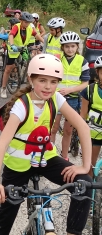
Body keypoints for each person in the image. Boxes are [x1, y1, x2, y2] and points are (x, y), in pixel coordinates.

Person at [0, 54, 92, 235]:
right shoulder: (22, 106)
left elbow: (82, 126)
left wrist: (84, 166)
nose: (48, 86)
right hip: (18, 165)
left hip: (46, 158)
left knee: (84, 183)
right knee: (7, 214)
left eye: (53, 82)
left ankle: (73, 232)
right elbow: (1, 145)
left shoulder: (55, 99)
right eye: (42, 80)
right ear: (31, 79)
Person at [50, 31, 90, 161]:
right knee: (53, 128)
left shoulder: (82, 61)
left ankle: (64, 157)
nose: (70, 49)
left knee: (68, 131)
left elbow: (85, 83)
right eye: (67, 46)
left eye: (73, 46)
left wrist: (70, 90)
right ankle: (50, 155)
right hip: (56, 98)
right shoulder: (56, 59)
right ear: (62, 47)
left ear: (77, 47)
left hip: (72, 99)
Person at [0, 12, 44, 99]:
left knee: (29, 64)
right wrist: (12, 45)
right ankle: (3, 88)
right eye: (26, 22)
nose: (27, 24)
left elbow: (37, 35)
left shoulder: (30, 28)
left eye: (29, 22)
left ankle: (29, 84)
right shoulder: (16, 26)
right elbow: (11, 35)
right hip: (14, 49)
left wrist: (45, 43)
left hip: (23, 48)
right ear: (21, 21)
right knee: (8, 69)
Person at [80, 55, 102, 177]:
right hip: (93, 134)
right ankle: (89, 192)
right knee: (90, 166)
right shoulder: (89, 90)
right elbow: (82, 115)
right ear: (97, 72)